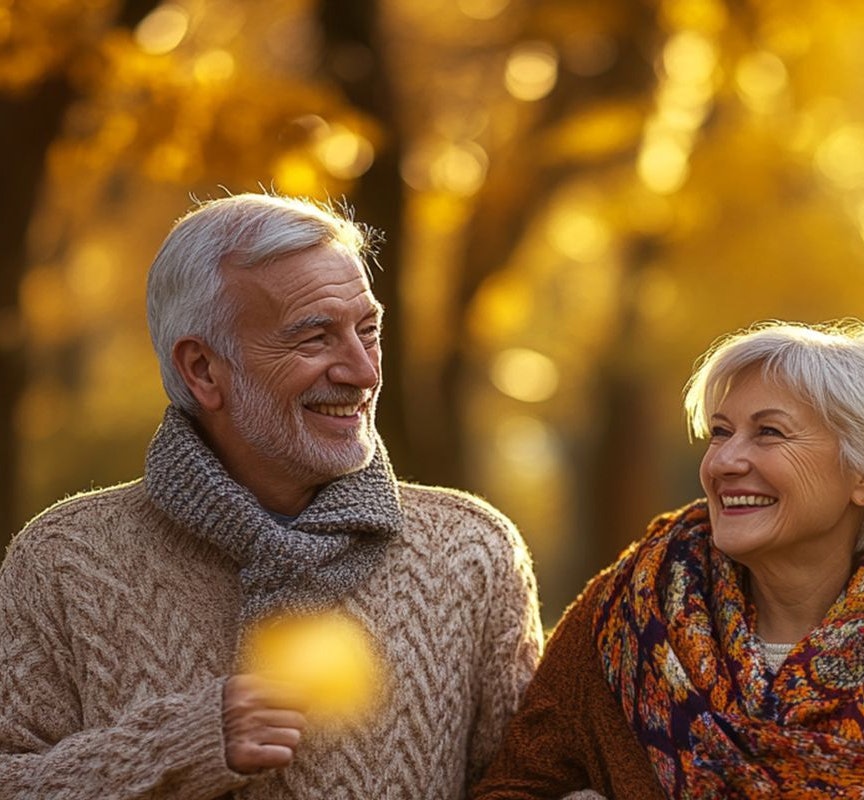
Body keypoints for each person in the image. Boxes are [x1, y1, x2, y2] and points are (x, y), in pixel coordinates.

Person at [0, 192, 543, 799]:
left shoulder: (473, 552)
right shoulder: (63, 561)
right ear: (202, 370)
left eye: (369, 330)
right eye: (314, 339)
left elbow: (530, 784)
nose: (363, 372)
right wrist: (178, 747)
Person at [474, 320, 864, 799]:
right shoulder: (628, 611)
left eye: (769, 434)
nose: (725, 461)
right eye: (720, 432)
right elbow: (515, 785)